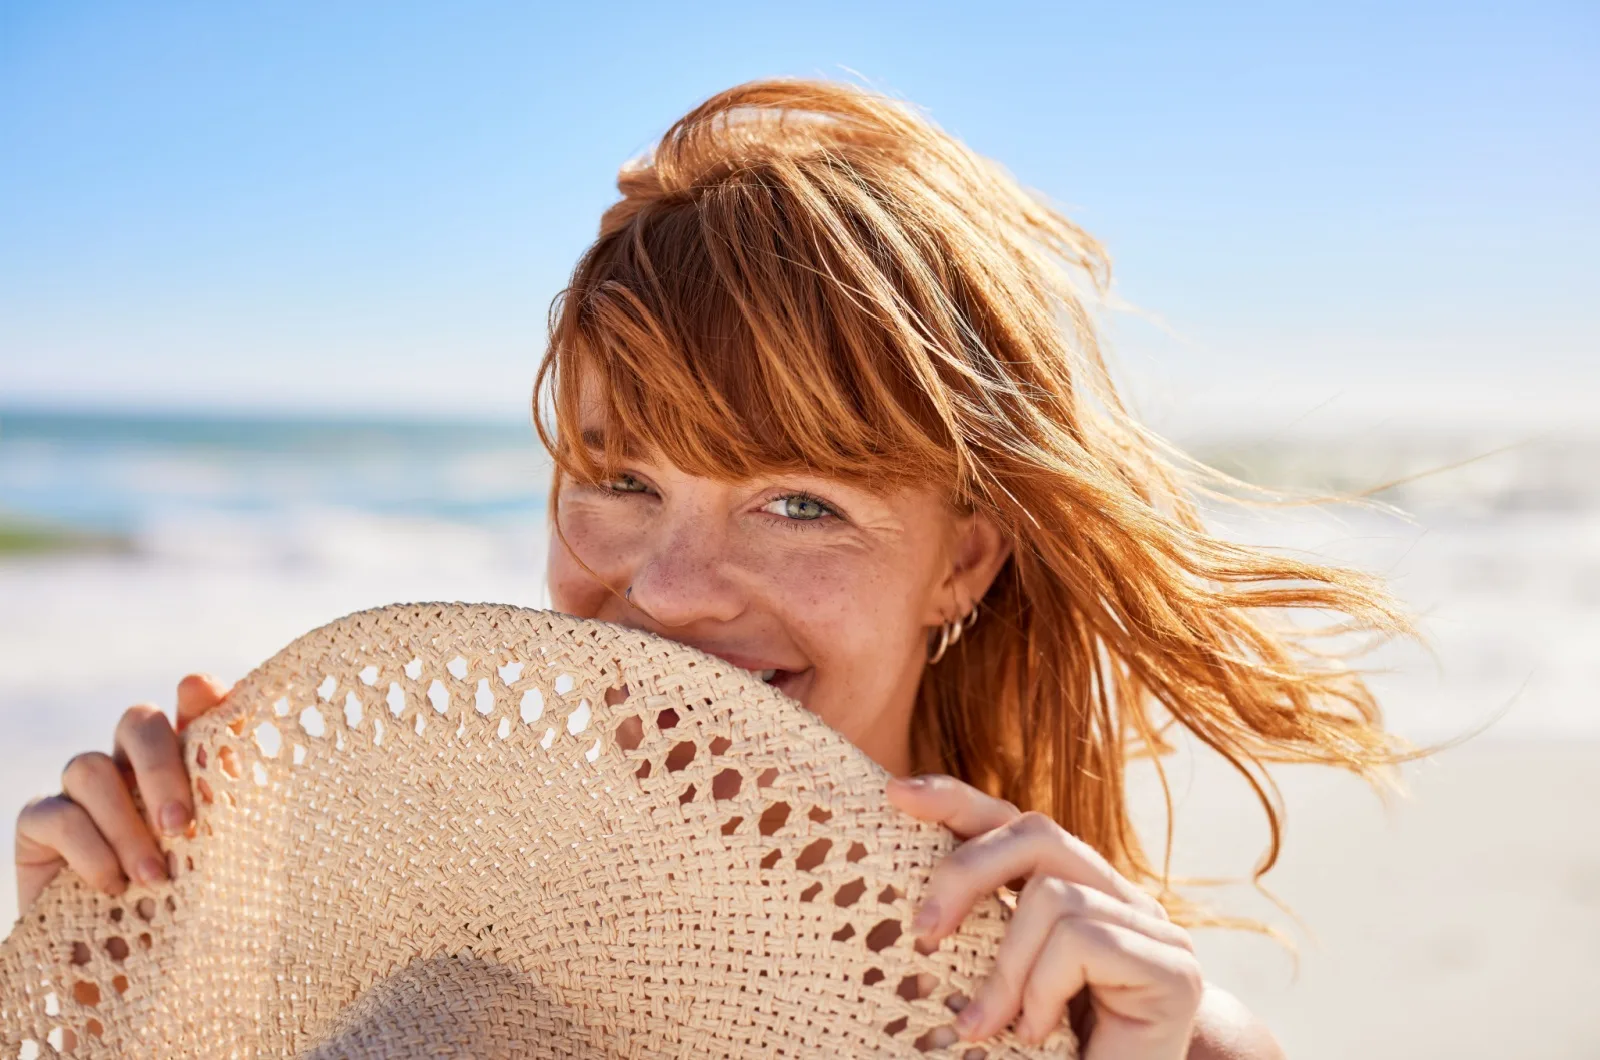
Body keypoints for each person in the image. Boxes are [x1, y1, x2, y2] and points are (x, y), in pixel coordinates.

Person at [12, 78, 1417, 1058]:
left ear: (963, 559)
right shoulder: (363, 938)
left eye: (800, 502)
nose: (671, 590)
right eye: (624, 482)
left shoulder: (1140, 1038)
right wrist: (117, 962)